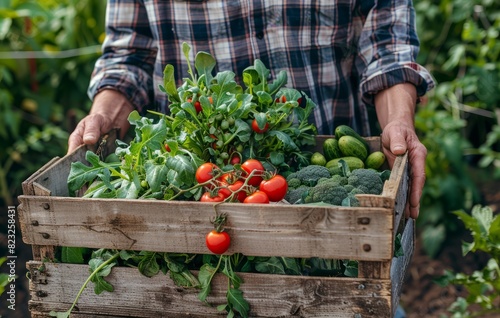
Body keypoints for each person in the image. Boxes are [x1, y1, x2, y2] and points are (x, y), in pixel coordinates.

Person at [67, 0, 434, 220]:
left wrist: (400, 120)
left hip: (328, 170)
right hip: (205, 183)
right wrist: (103, 115)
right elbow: (130, 53)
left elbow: (388, 39)